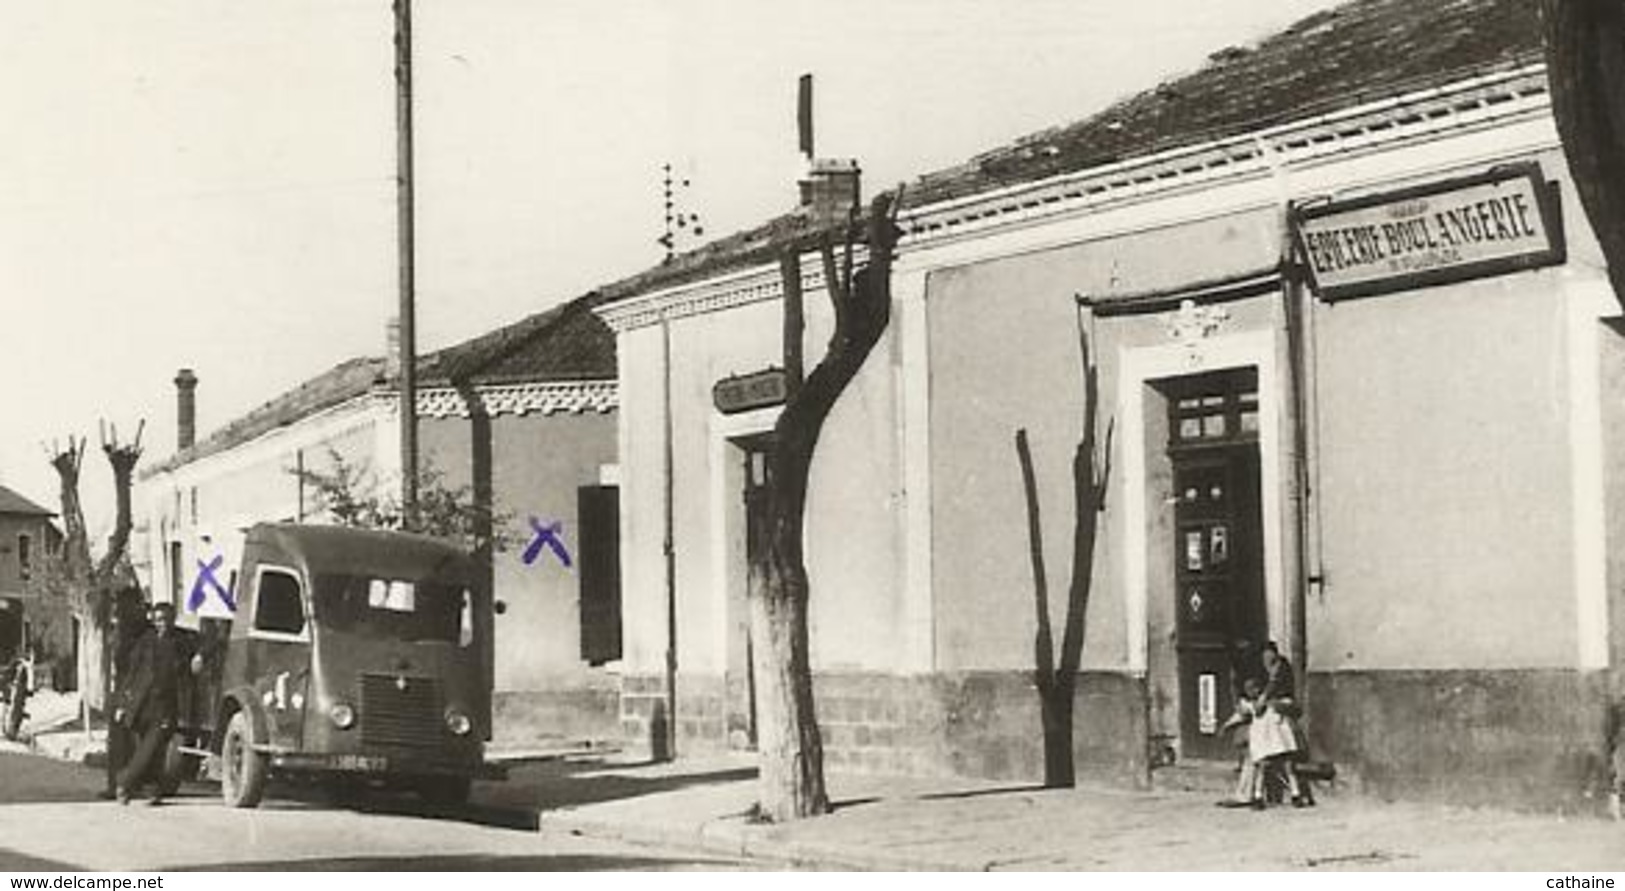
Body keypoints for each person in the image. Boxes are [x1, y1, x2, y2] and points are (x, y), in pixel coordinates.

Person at [113, 602, 191, 805]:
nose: (162, 624)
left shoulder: (181, 641)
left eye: (166, 620)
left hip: (165, 705)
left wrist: (199, 656)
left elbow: (210, 644)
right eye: (157, 620)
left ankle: (125, 782)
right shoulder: (145, 641)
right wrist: (122, 704)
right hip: (140, 704)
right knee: (150, 750)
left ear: (173, 620)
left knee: (152, 745)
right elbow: (131, 674)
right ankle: (153, 789)